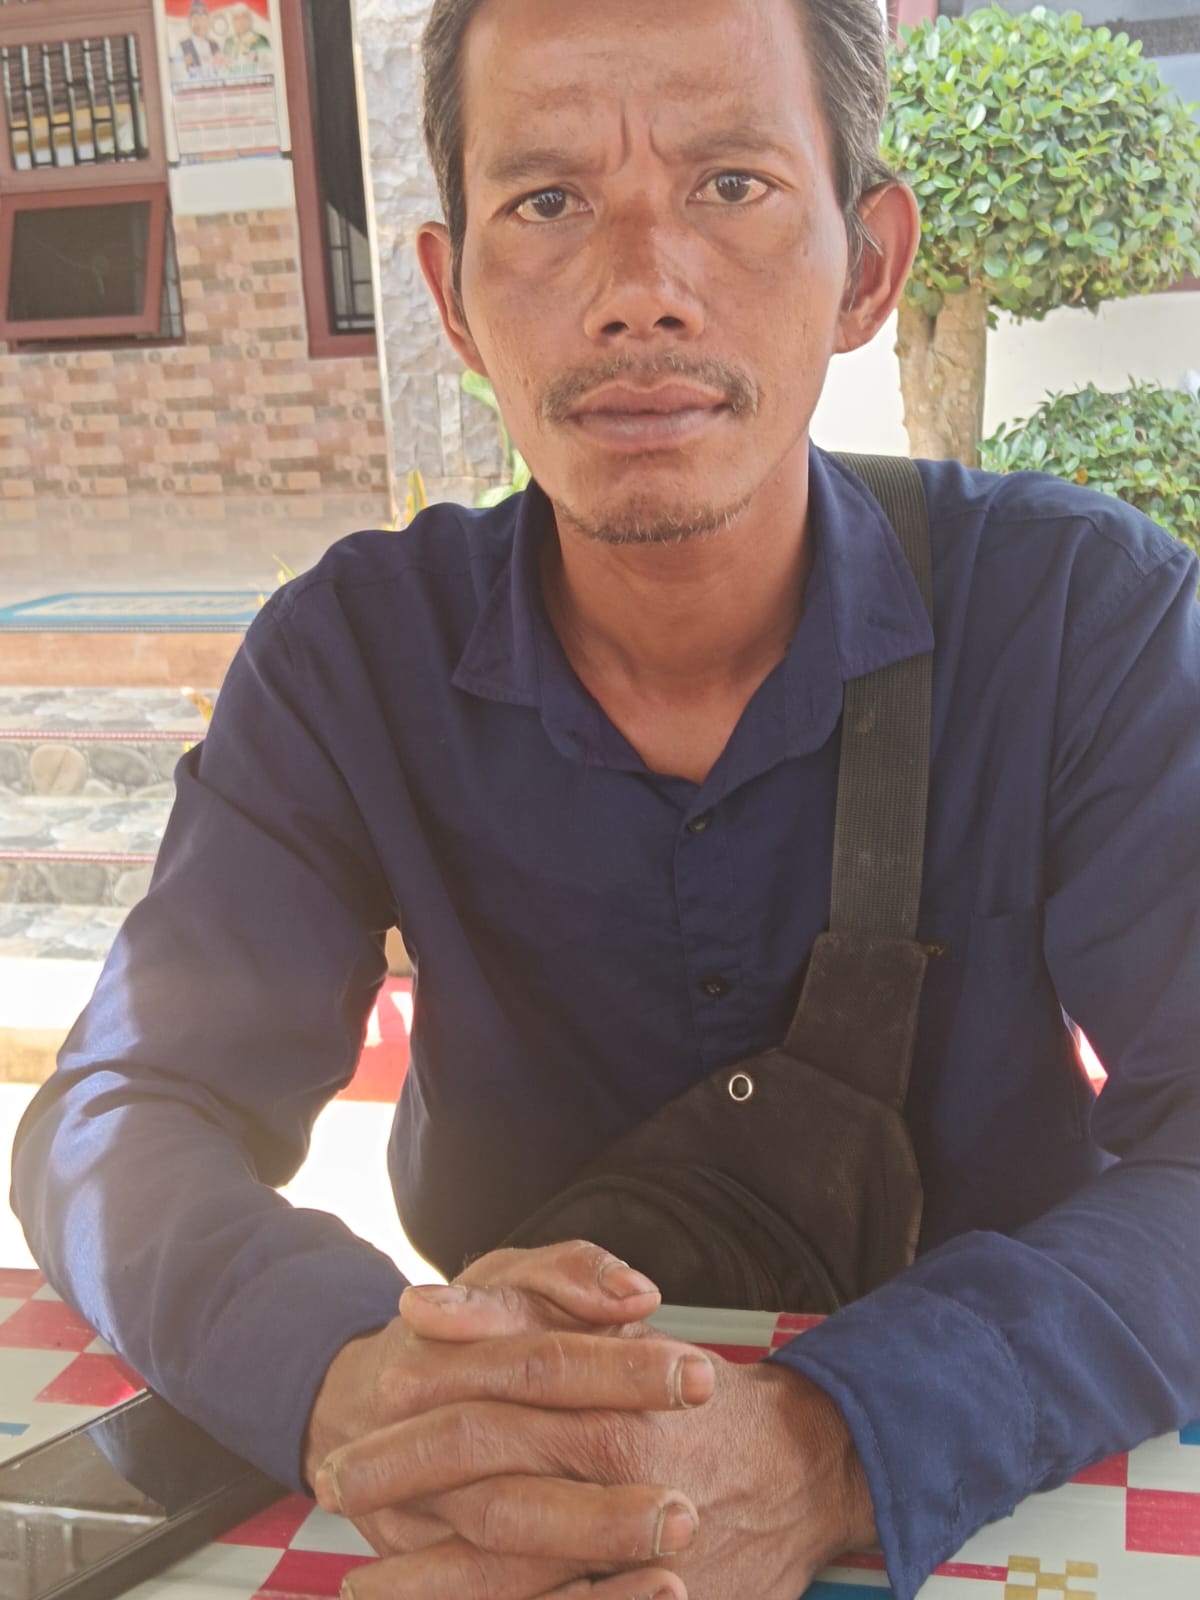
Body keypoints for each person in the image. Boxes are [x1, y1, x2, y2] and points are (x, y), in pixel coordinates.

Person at [13, 1, 1200, 1598]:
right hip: (503, 1500)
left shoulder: (1080, 622)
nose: (641, 288)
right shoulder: (353, 661)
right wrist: (360, 1379)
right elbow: (120, 1115)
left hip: (987, 1491)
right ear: (452, 294)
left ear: (867, 265)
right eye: (549, 200)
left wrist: (836, 1440)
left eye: (731, 185)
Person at [174, 1, 221, 80]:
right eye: (196, 18)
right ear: (190, 21)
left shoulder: (215, 45)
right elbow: (177, 76)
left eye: (204, 17)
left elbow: (223, 74)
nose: (200, 22)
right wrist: (184, 67)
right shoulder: (182, 47)